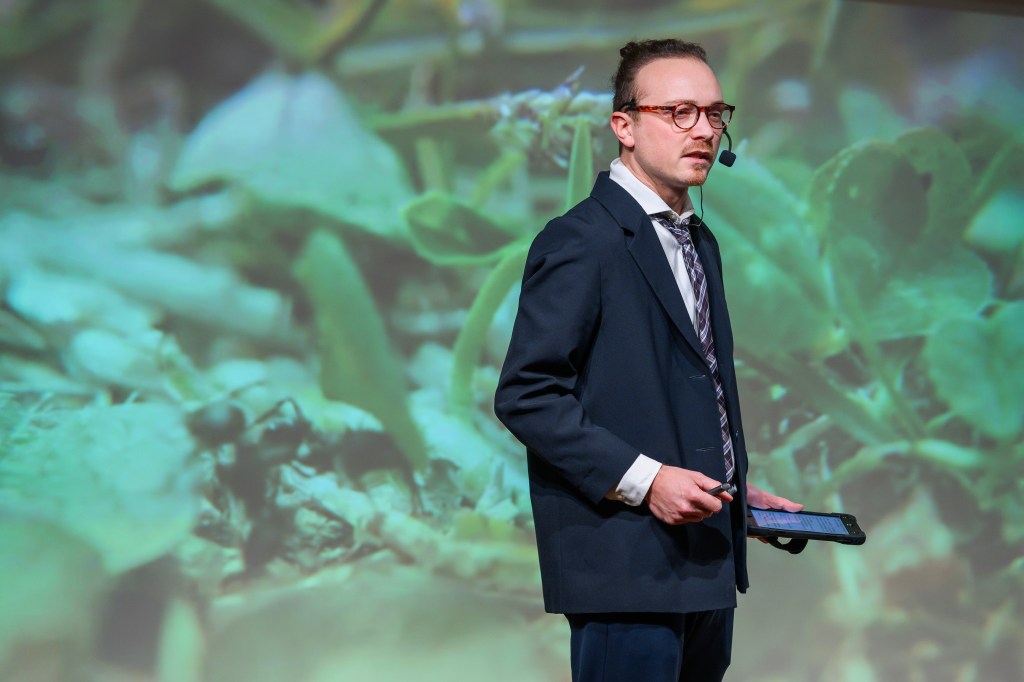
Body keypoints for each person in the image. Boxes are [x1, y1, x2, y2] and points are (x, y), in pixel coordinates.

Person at [493, 39, 803, 681]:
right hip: (627, 569)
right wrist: (649, 481)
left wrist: (732, 490)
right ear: (624, 126)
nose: (705, 131)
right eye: (680, 112)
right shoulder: (582, 240)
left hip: (703, 563)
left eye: (715, 114)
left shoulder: (698, 241)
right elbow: (527, 395)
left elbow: (680, 389)